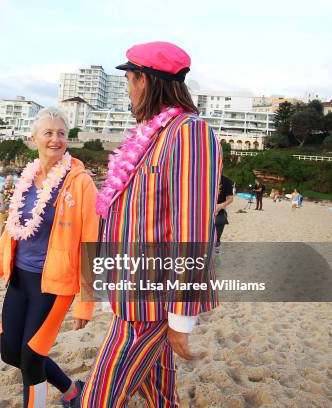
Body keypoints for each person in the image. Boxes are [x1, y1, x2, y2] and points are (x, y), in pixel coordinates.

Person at [83, 42, 222, 407]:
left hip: (150, 302)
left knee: (97, 399)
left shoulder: (188, 133)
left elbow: (192, 231)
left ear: (144, 79)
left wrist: (181, 317)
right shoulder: (150, 137)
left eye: (129, 79)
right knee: (159, 396)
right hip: (127, 290)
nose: (128, 88)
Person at [0, 107, 98, 407]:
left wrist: (86, 301)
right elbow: (10, 232)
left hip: (55, 284)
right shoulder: (26, 178)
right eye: (48, 133)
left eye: (61, 133)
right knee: (11, 353)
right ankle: (72, 391)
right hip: (19, 277)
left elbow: (91, 242)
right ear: (33, 139)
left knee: (31, 359)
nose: (56, 139)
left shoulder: (80, 182)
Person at [215, 175, 234, 254]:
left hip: (219, 213)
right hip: (202, 213)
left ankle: (216, 255)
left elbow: (230, 198)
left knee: (217, 238)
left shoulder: (226, 180)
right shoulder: (201, 176)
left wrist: (221, 205)